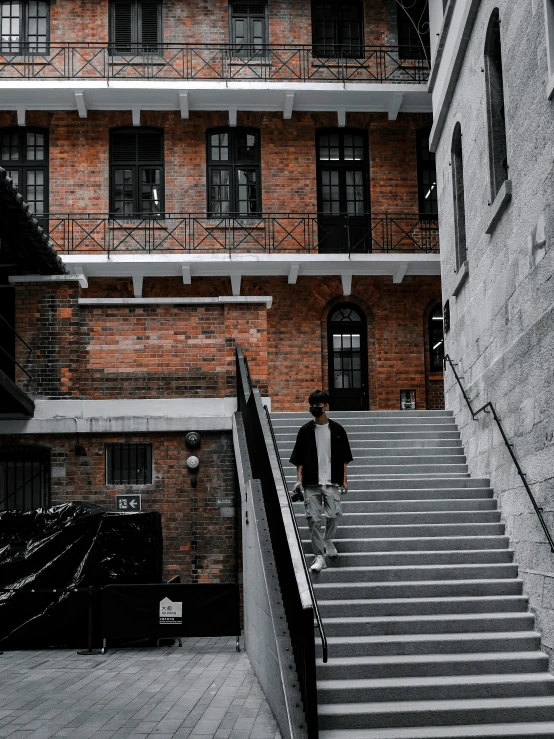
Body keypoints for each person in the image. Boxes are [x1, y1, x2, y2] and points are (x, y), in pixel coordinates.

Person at [289, 390, 353, 572]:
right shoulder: (305, 431)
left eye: (319, 404)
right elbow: (299, 460)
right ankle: (319, 556)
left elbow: (344, 458)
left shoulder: (338, 430)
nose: (315, 407)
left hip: (332, 480)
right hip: (311, 482)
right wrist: (298, 481)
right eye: (312, 404)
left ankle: (327, 540)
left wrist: (344, 479)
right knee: (314, 520)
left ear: (327, 406)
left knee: (333, 515)